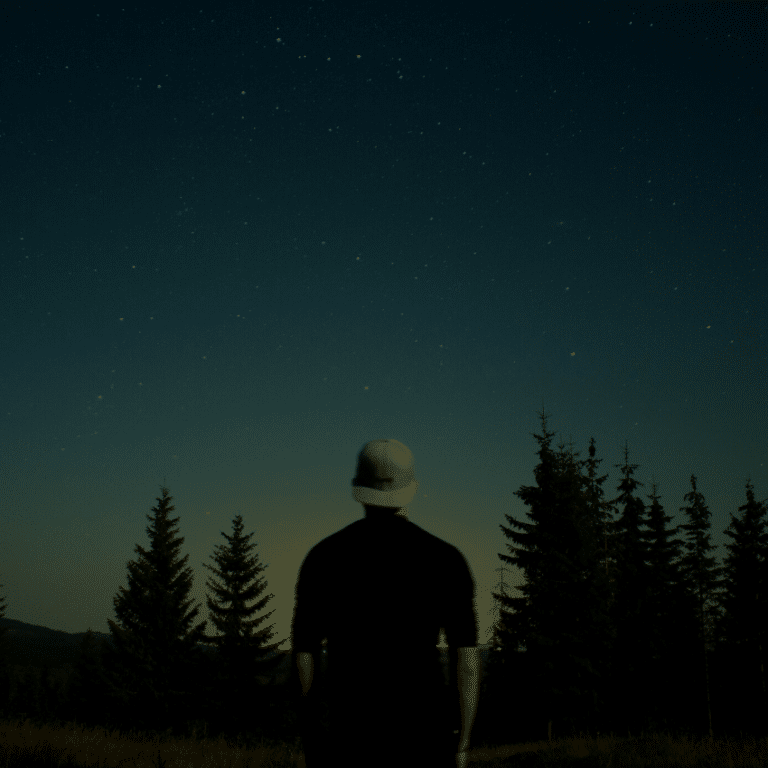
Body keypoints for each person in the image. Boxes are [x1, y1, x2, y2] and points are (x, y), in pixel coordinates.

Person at [291, 438, 481, 768]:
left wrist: (311, 735)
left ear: (357, 487)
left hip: (349, 738)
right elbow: (465, 659)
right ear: (413, 488)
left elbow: (304, 656)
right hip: (425, 738)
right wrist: (462, 742)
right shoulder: (447, 559)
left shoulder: (323, 557)